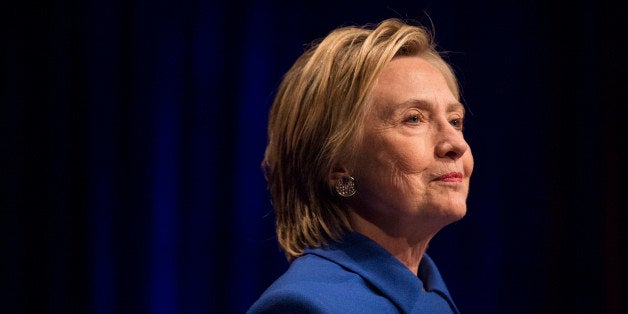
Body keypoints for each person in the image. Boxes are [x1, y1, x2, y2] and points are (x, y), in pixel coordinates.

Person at [248, 17, 473, 313]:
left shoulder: (430, 295)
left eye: (455, 121)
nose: (456, 144)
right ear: (337, 166)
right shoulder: (305, 306)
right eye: (414, 118)